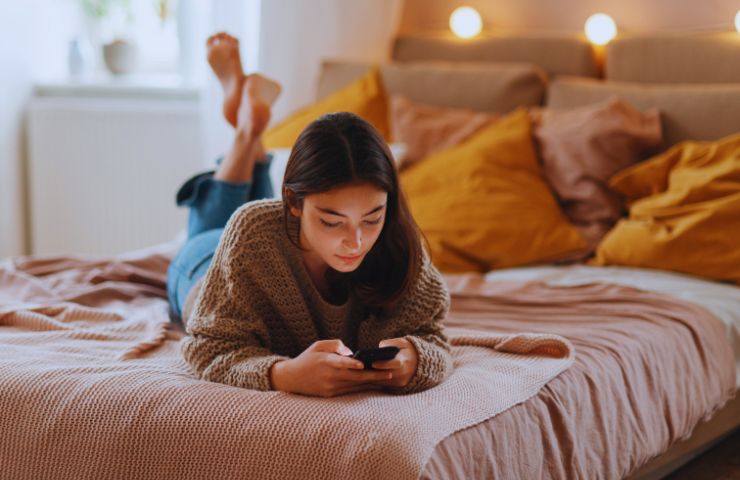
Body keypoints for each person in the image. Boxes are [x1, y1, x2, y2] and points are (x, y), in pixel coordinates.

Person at [167, 32, 452, 398]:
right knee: (210, 227)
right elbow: (207, 346)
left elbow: (435, 338)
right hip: (202, 268)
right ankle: (245, 133)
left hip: (274, 229)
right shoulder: (252, 231)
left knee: (258, 220)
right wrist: (284, 375)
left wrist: (415, 359)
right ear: (295, 202)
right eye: (332, 221)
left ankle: (249, 123)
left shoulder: (398, 238)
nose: (356, 241)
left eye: (372, 217)